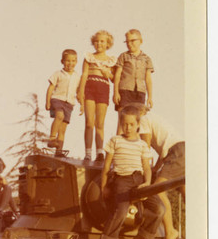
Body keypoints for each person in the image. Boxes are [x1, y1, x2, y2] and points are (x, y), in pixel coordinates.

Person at [90, 105, 164, 239]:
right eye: (125, 124)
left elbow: (146, 167)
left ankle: (142, 237)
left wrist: (147, 183)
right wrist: (104, 186)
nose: (128, 128)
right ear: (121, 123)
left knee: (159, 209)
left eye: (132, 124)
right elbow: (106, 166)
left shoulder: (143, 145)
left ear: (138, 125)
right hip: (121, 180)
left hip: (139, 180)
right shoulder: (115, 141)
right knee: (121, 211)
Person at [135, 104, 185, 239]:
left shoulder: (144, 120)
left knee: (157, 191)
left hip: (176, 153)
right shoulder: (155, 119)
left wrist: (144, 171)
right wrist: (155, 169)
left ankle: (170, 232)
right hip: (181, 151)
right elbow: (163, 153)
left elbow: (145, 147)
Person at [77, 30, 116, 162]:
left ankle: (99, 152)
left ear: (108, 44)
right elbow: (84, 75)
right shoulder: (89, 57)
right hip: (90, 88)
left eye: (102, 41)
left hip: (103, 89)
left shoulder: (111, 60)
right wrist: (80, 92)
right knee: (89, 123)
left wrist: (108, 74)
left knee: (100, 123)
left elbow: (115, 78)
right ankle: (88, 153)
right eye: (97, 41)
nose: (99, 43)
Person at [46, 49, 82, 157]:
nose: (70, 64)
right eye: (67, 61)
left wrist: (82, 104)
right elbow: (51, 87)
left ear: (76, 62)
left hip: (69, 103)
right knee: (59, 115)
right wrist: (47, 102)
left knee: (63, 129)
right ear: (62, 61)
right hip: (57, 99)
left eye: (73, 61)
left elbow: (78, 92)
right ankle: (52, 138)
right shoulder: (58, 74)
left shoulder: (77, 76)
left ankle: (59, 151)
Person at [113, 29, 154, 112]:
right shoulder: (123, 56)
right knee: (123, 117)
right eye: (127, 41)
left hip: (140, 92)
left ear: (141, 41)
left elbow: (148, 79)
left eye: (132, 41)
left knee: (138, 118)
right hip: (124, 91)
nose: (129, 44)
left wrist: (149, 97)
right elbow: (117, 75)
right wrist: (116, 92)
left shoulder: (146, 59)